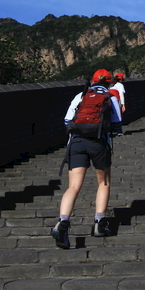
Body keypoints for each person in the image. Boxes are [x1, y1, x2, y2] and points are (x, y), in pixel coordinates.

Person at [51, 69, 123, 248]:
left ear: (92, 81)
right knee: (103, 182)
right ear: (109, 82)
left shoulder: (81, 96)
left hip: (76, 143)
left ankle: (62, 223)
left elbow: (67, 121)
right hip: (98, 143)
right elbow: (117, 124)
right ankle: (99, 224)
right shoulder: (111, 97)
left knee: (74, 186)